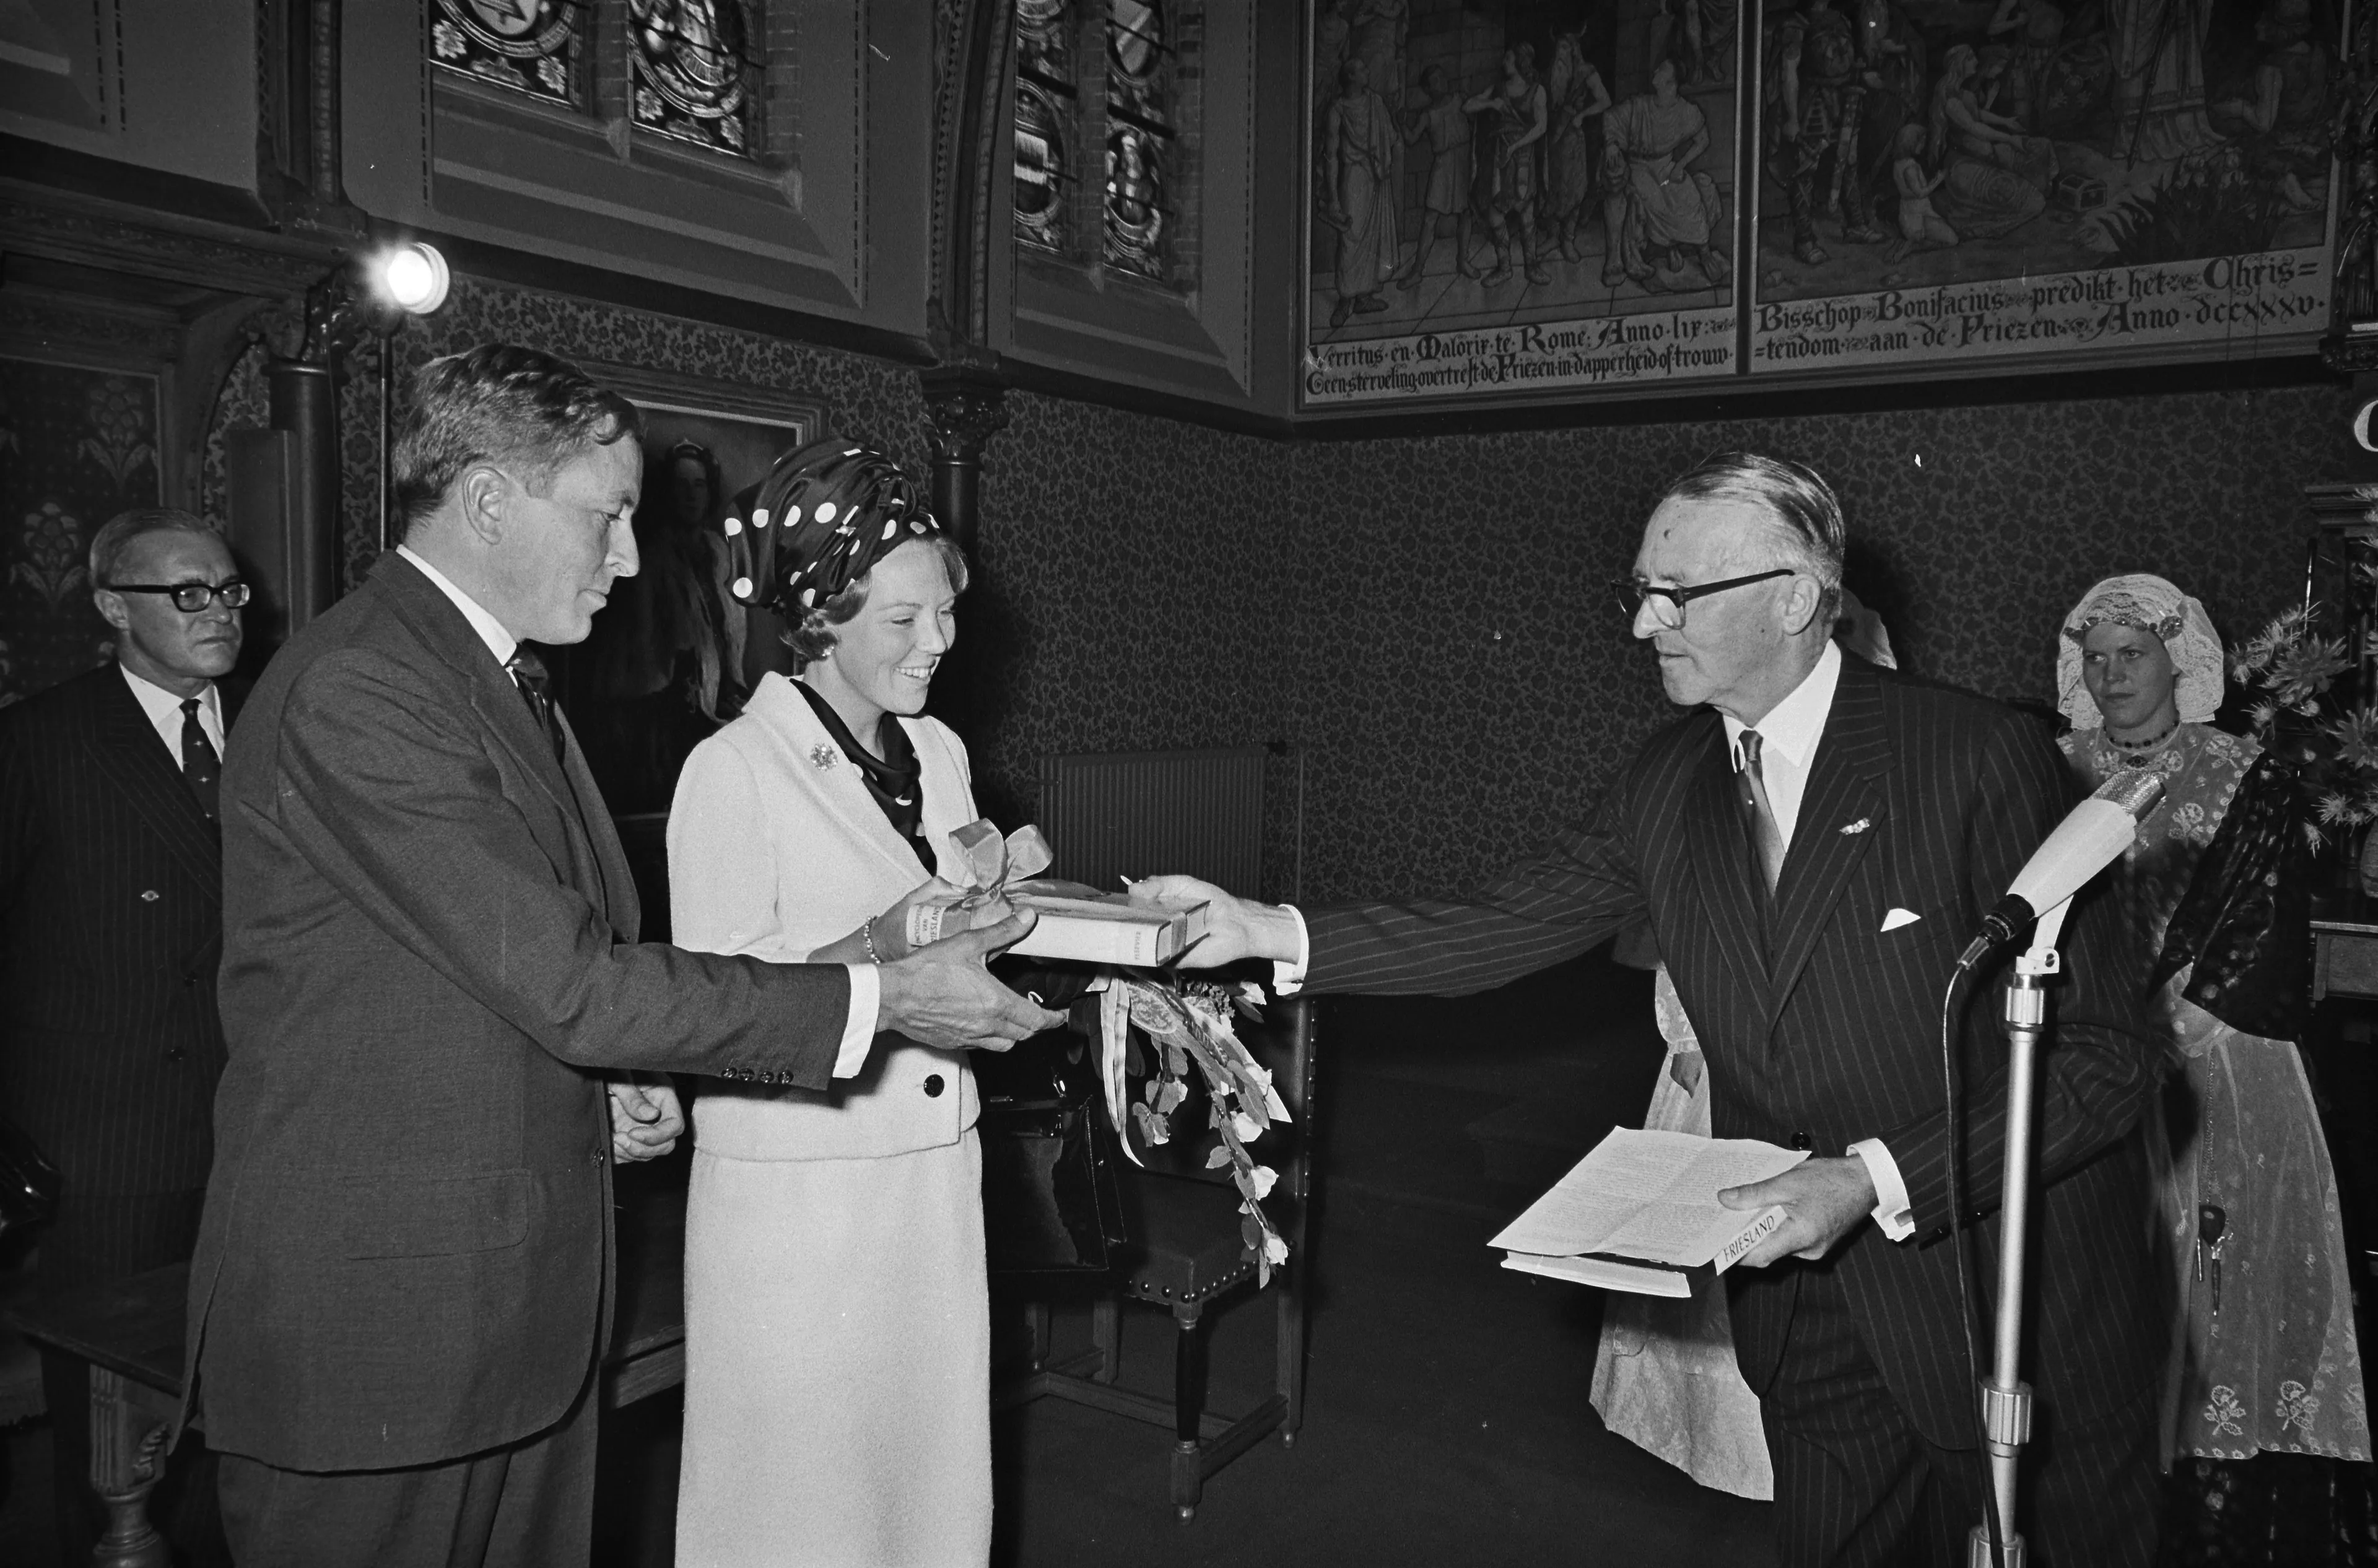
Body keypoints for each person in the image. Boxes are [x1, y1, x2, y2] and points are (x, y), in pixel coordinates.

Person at [1146, 453, 2165, 1567]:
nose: (1643, 625)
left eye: (1677, 596)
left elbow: (2108, 1063)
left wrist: (1869, 1178)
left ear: (1794, 597)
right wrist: (1265, 929)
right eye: (1639, 591)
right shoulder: (1671, 775)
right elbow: (1508, 917)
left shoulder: (1973, 753)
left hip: (2001, 1298)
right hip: (1805, 1305)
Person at [180, 343, 1060, 1568]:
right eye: (608, 516)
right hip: (386, 1321)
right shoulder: (361, 688)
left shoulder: (500, 684)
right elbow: (572, 982)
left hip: (512, 1300)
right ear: (490, 501)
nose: (634, 556)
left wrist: (604, 1088)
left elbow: (497, 968)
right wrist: (881, 993)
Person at [668, 441, 1004, 1564]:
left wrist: (1024, 911)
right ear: (817, 616)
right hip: (801, 1204)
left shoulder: (939, 750)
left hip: (927, 1168)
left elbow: (952, 913)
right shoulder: (733, 771)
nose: (939, 645)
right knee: (800, 1514)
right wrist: (890, 948)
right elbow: (717, 1005)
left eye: (946, 614)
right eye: (903, 623)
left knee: (925, 1497)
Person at [1591, 590, 1902, 1502]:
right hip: (1723, 1052)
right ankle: (1736, 1449)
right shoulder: (1716, 776)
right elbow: (1696, 923)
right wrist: (1688, 1032)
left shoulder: (1889, 777)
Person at [2054, 575, 2371, 1471]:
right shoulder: (2050, 763)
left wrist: (2175, 1026)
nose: (2114, 676)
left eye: (2134, 655)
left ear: (2177, 659)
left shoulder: (2242, 770)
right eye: (2097, 659)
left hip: (2213, 1049)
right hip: (2079, 1042)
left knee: (2220, 1258)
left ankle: (2207, 1455)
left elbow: (2263, 910)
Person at [1, 508, 245, 1566]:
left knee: (239, 1415)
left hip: (252, 1131)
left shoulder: (284, 724)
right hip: (105, 1144)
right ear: (112, 607)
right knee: (115, 1453)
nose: (221, 612)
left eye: (229, 590)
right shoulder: (40, 740)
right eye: (186, 593)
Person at [1600, 58, 1731, 292]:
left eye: (1661, 69)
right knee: (1655, 201)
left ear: (1671, 82)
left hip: (1666, 166)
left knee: (1688, 197)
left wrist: (1681, 165)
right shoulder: (1639, 106)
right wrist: (1611, 143)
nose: (1655, 71)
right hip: (1639, 167)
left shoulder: (1685, 111)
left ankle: (1704, 252)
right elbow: (1611, 118)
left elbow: (1703, 140)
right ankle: (1670, 249)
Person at [1463, 44, 1553, 286]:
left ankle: (1532, 266)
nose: (1504, 62)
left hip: (1522, 157)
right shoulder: (1498, 90)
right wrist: (1491, 105)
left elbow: (1541, 126)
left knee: (1526, 212)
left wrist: (1516, 146)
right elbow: (1468, 106)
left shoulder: (1537, 91)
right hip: (1497, 160)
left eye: (1509, 58)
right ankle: (1504, 267)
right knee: (1495, 212)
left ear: (1521, 62)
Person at [1323, 56, 1402, 327]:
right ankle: (1346, 299)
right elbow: (1331, 156)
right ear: (1351, 77)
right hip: (1354, 177)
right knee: (1351, 237)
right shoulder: (1339, 109)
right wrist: (1333, 198)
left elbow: (1391, 136)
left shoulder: (1375, 103)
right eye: (1362, 69)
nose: (1368, 71)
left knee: (1374, 236)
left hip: (1376, 175)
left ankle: (1365, 297)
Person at [1395, 63, 1478, 284]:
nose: (1440, 83)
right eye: (1434, 81)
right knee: (1431, 217)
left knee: (1466, 213)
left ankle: (1463, 261)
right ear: (1428, 89)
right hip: (1442, 164)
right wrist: (1402, 124)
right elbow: (1411, 139)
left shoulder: (1460, 100)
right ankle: (1417, 271)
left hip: (1463, 161)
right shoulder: (1428, 114)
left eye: (1441, 78)